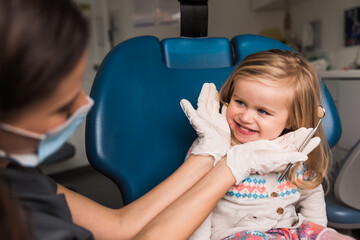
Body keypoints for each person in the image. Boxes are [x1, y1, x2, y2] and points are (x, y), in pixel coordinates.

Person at [0, 0, 322, 239]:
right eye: (62, 103)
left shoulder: (22, 183)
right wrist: (231, 164)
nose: (83, 106)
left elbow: (120, 228)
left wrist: (213, 152)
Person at [182, 50, 354, 240]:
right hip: (236, 235)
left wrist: (319, 231)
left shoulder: (294, 150)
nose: (246, 117)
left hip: (291, 231)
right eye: (240, 102)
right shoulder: (213, 145)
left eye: (262, 111)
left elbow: (311, 194)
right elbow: (196, 205)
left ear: (291, 121)